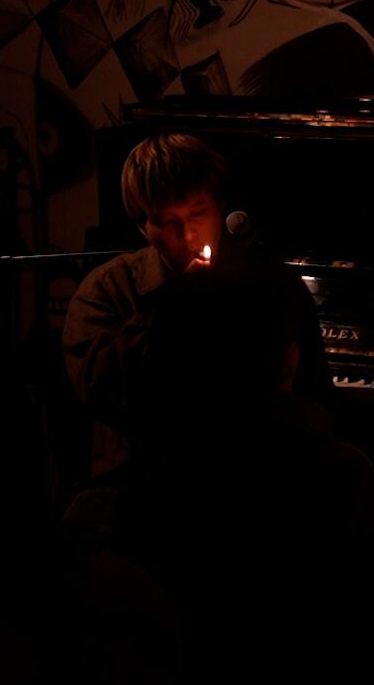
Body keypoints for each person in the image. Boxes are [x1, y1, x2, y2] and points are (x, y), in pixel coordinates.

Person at [62, 133, 330, 486]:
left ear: (219, 206)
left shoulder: (272, 282)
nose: (187, 234)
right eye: (166, 222)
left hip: (253, 477)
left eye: (197, 213)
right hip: (143, 484)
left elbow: (316, 394)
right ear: (143, 227)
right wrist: (173, 306)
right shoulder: (106, 290)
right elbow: (103, 394)